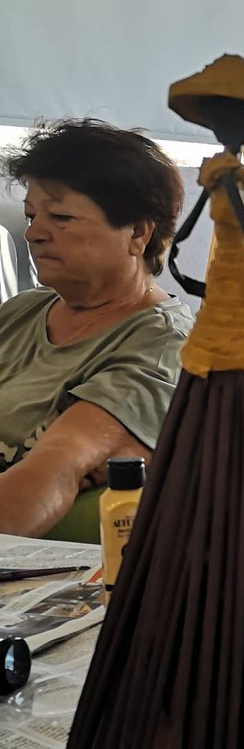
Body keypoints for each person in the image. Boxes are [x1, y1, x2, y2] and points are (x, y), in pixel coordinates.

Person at [0, 119, 193, 538]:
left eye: (62, 217)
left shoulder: (160, 346)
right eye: (33, 215)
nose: (34, 233)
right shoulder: (21, 313)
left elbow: (59, 465)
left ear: (138, 232)